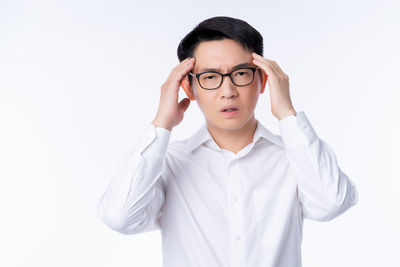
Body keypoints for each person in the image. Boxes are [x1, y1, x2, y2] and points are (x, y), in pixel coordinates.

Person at [96, 16, 358, 267]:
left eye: (241, 74)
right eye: (210, 77)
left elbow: (333, 203)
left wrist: (287, 114)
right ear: (189, 87)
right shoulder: (167, 163)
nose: (228, 91)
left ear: (263, 79)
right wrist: (161, 123)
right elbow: (120, 217)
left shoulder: (294, 156)